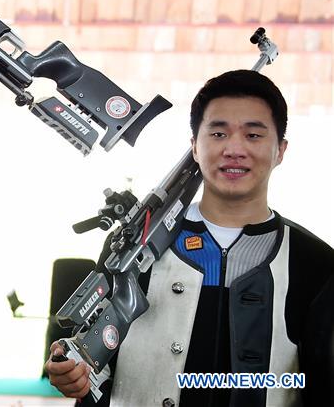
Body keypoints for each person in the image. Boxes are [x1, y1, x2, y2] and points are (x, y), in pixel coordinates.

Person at [45, 69, 334, 406]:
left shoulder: (314, 264)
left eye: (254, 135)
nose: (234, 149)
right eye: (218, 133)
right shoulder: (134, 245)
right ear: (194, 147)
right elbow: (95, 370)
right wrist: (74, 371)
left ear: (280, 150)